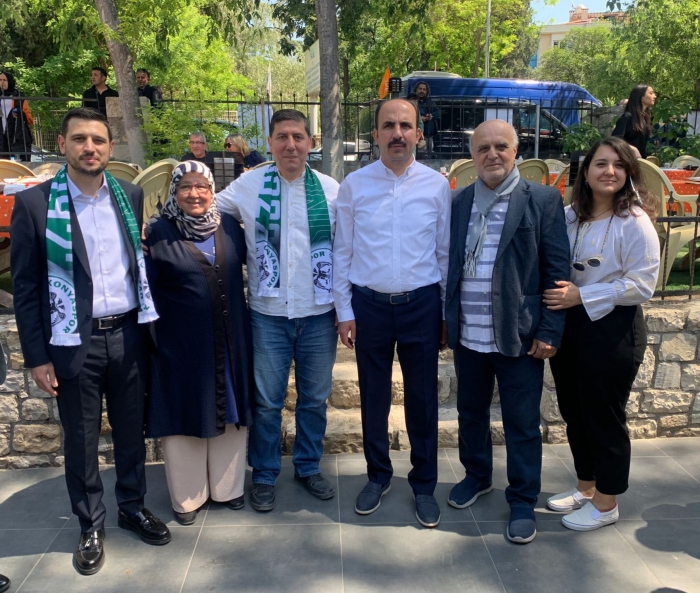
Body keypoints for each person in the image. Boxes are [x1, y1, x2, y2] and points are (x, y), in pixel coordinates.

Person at [10, 107, 170, 576]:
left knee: (130, 431)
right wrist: (36, 356)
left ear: (110, 147)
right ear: (62, 145)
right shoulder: (35, 205)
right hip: (72, 341)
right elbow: (26, 286)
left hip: (128, 333)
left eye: (98, 140)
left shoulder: (129, 195)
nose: (89, 147)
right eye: (79, 139)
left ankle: (132, 507)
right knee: (80, 440)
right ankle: (90, 524)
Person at [445, 119, 570, 544]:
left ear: (516, 152)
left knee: (521, 423)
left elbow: (557, 271)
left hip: (519, 334)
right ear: (472, 156)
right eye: (483, 148)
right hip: (469, 334)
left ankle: (522, 499)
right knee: (471, 413)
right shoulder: (460, 202)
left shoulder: (542, 200)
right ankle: (477, 475)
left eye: (501, 146)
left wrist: (550, 331)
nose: (492, 154)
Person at [335, 98, 451, 528]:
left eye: (405, 125)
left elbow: (443, 252)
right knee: (373, 398)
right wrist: (344, 310)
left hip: (422, 305)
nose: (397, 133)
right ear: (376, 135)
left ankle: (424, 484)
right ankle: (378, 475)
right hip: (369, 307)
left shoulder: (436, 186)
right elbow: (343, 250)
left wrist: (444, 312)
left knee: (422, 399)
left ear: (418, 134)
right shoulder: (355, 185)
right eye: (388, 125)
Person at [216, 109, 339, 512]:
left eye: (298, 137)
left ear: (310, 143)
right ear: (269, 143)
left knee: (314, 399)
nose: (290, 145)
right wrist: (156, 227)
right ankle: (265, 473)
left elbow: (349, 246)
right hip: (267, 315)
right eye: (282, 137)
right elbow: (203, 209)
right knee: (267, 402)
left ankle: (308, 466)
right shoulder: (247, 186)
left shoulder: (331, 190)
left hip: (318, 313)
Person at [543, 136, 660, 531]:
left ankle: (607, 503)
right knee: (574, 413)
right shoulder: (568, 216)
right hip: (571, 326)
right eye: (601, 164)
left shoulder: (635, 222)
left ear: (629, 173)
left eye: (619, 165)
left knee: (603, 416)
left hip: (613, 329)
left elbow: (642, 285)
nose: (610, 171)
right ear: (586, 172)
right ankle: (587, 487)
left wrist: (583, 295)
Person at [144, 161, 254, 525]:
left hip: (231, 341)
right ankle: (188, 498)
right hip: (181, 346)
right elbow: (146, 291)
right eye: (185, 187)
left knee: (231, 414)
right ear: (174, 192)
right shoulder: (157, 233)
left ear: (212, 191)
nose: (195, 194)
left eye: (202, 186)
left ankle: (227, 489)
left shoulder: (230, 228)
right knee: (184, 414)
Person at [612, 85, 656, 159]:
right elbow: (614, 140)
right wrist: (633, 149)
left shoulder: (644, 119)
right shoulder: (627, 117)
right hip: (627, 161)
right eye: (651, 93)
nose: (654, 96)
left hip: (639, 162)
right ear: (641, 97)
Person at [0, 70, 33, 161]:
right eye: (0, 80)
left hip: (15, 135)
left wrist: (19, 114)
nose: (2, 82)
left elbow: (29, 119)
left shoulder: (19, 96)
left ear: (10, 81)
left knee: (16, 162)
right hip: (1, 135)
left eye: (5, 80)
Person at [414, 81, 440, 157]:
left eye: (424, 89)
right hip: (418, 135)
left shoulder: (429, 102)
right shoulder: (413, 101)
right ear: (416, 90)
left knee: (429, 155)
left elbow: (438, 112)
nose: (422, 91)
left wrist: (431, 115)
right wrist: (419, 118)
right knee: (420, 156)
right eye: (420, 89)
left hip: (429, 135)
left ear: (426, 91)